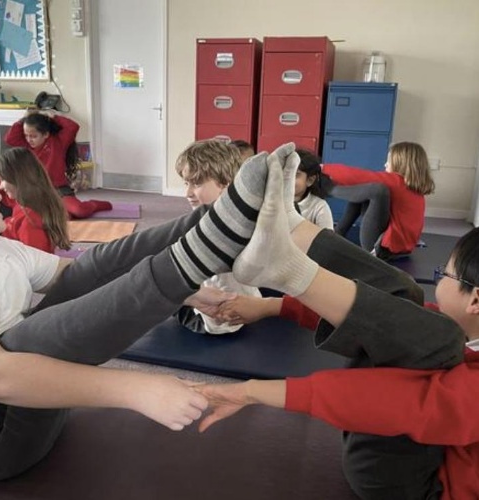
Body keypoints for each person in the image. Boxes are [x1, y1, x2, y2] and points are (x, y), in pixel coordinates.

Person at [0, 147, 275, 483]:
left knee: (87, 269)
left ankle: (211, 224)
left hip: (34, 405)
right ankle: (201, 252)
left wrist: (187, 293)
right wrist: (134, 389)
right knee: (24, 340)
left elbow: (83, 276)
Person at [195, 143, 465, 499]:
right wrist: (270, 307)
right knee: (407, 299)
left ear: (475, 300)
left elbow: (392, 401)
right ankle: (291, 235)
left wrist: (251, 392)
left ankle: (288, 259)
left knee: (441, 337)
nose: (440, 278)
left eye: (445, 274)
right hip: (412, 451)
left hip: (412, 486)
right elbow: (381, 319)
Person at [174, 139, 261, 334]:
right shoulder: (241, 215)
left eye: (196, 184)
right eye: (186, 183)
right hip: (250, 305)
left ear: (224, 183)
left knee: (153, 285)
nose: (187, 193)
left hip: (216, 321)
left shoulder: (211, 228)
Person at [324, 141, 435, 259]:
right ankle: (338, 233)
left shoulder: (397, 182)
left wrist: (324, 169)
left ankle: (330, 190)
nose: (385, 164)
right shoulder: (414, 190)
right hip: (402, 249)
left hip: (382, 250)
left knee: (376, 190)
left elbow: (357, 175)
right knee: (363, 190)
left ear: (400, 164)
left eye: (389, 161)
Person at [4, 110, 112, 219]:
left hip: (59, 190)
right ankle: (59, 211)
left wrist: (53, 116)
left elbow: (73, 127)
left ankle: (93, 204)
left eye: (33, 136)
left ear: (46, 134)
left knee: (80, 211)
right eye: (26, 135)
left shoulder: (58, 142)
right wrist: (24, 119)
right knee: (57, 217)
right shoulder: (25, 147)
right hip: (37, 192)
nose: (29, 139)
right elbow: (10, 138)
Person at [0, 147, 71, 253]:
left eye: (3, 179)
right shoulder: (30, 204)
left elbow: (34, 260)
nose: (0, 186)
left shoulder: (30, 223)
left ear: (19, 178)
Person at [294, 148, 334, 229]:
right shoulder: (274, 202)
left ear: (310, 180)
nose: (287, 179)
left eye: (296, 175)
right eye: (285, 173)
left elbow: (327, 236)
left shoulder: (319, 207)